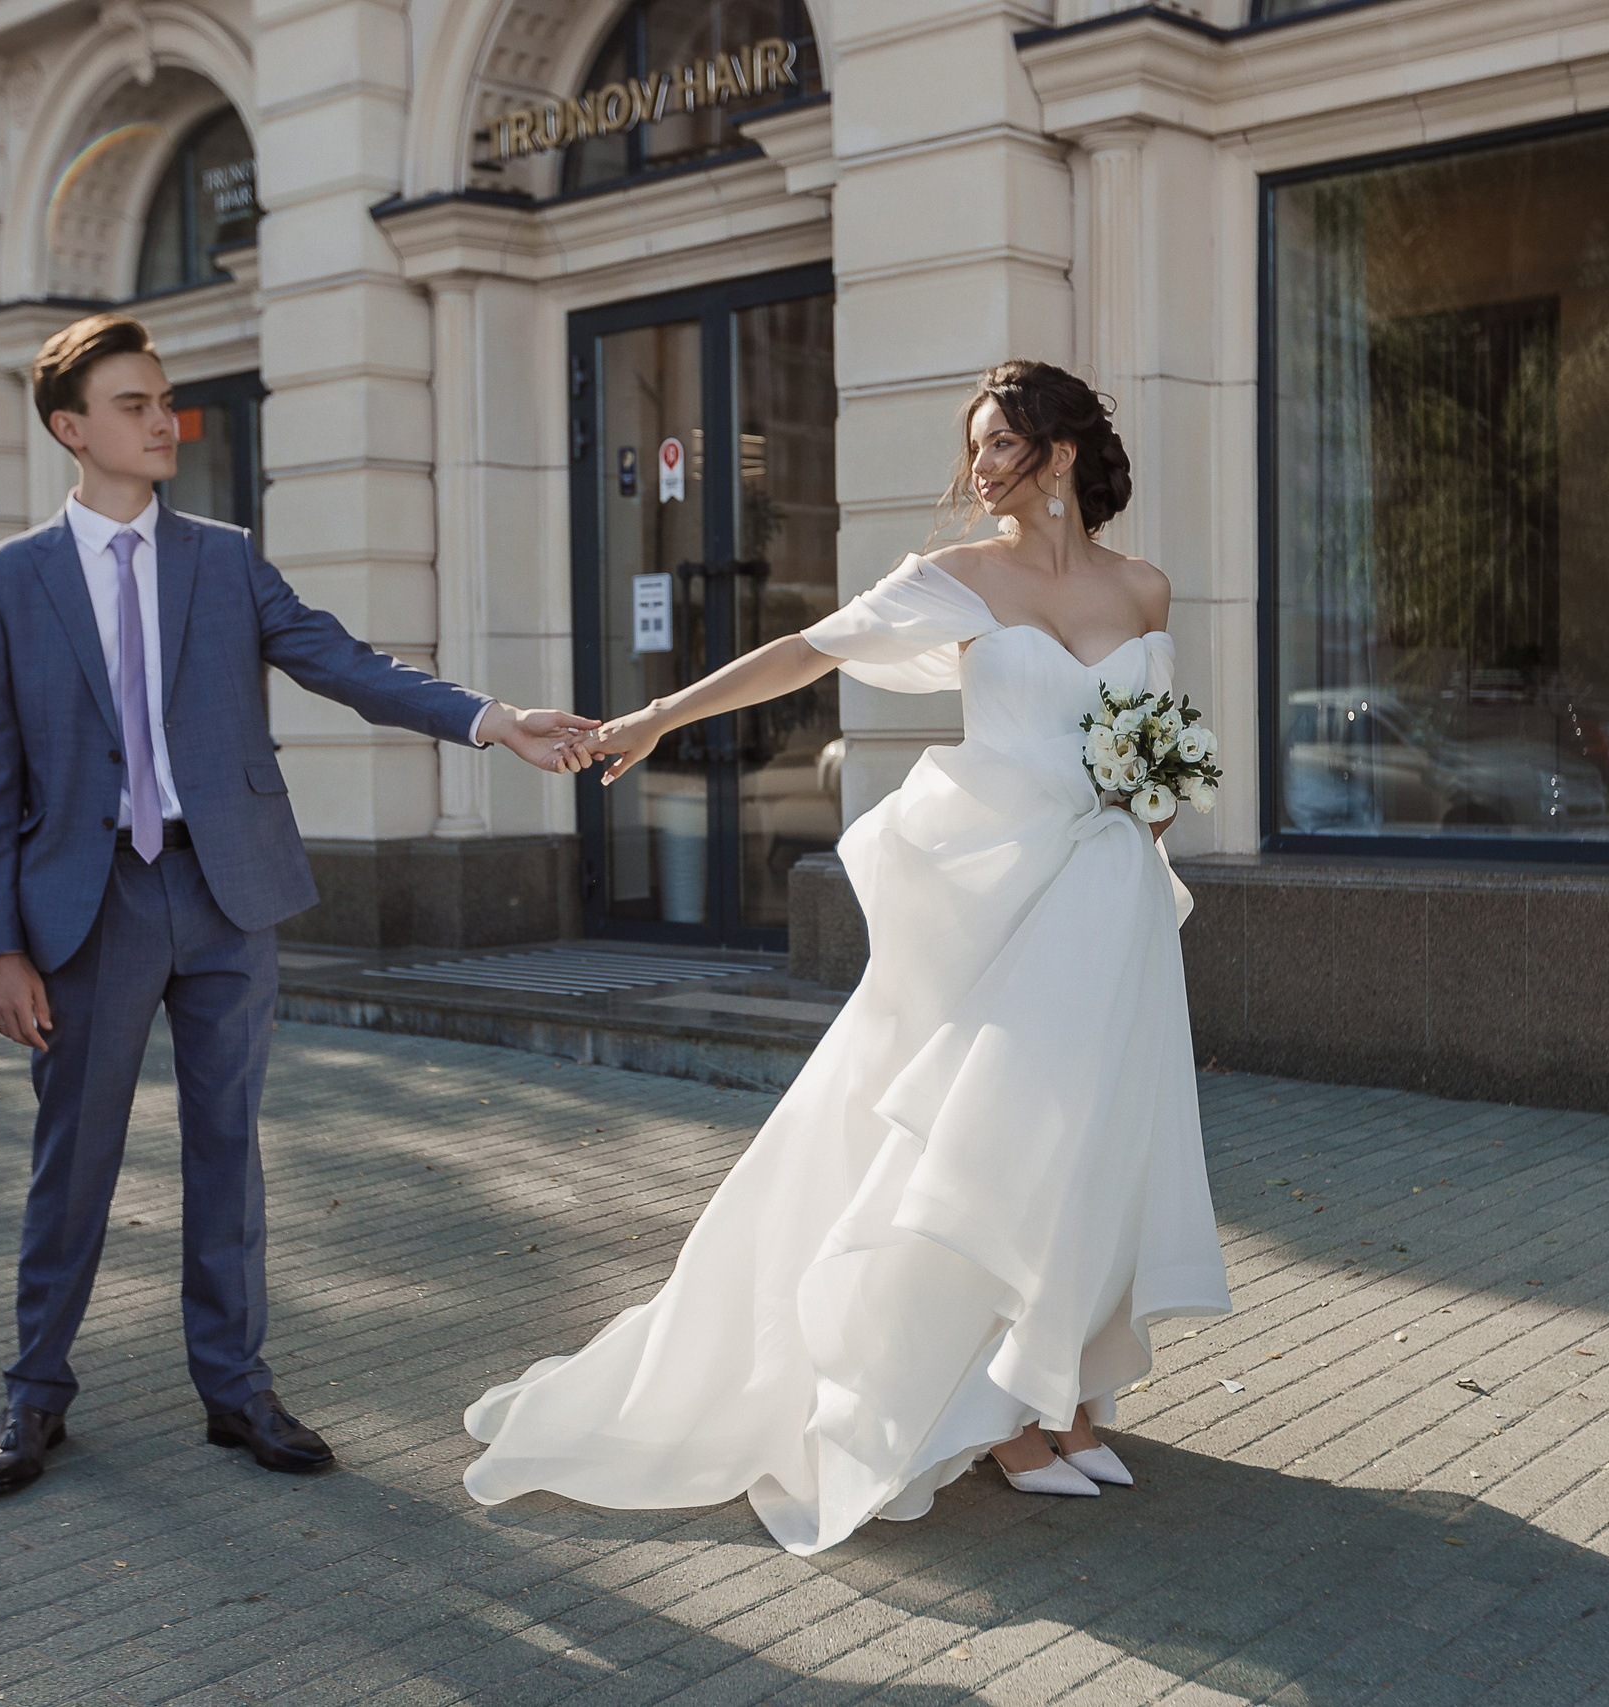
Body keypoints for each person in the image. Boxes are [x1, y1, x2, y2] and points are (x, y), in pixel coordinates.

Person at [462, 360, 1230, 1554]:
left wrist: (1155, 798)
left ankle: (1076, 1397)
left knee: (1098, 1140)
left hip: (1111, 895)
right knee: (993, 1144)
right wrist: (658, 717)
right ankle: (1006, 1419)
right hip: (997, 898)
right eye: (973, 447)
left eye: (998, 446)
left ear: (1062, 455)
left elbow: (1157, 746)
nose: (977, 469)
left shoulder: (1145, 589)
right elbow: (804, 651)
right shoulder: (956, 580)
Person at [0, 313, 593, 1497]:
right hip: (83, 905)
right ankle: (35, 1392)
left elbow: (340, 660)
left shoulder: (222, 555)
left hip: (223, 889)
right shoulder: (4, 584)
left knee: (226, 1151)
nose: (166, 421)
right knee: (75, 1160)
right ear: (71, 429)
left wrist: (488, 717)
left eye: (165, 400)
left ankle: (235, 1390)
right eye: (137, 405)